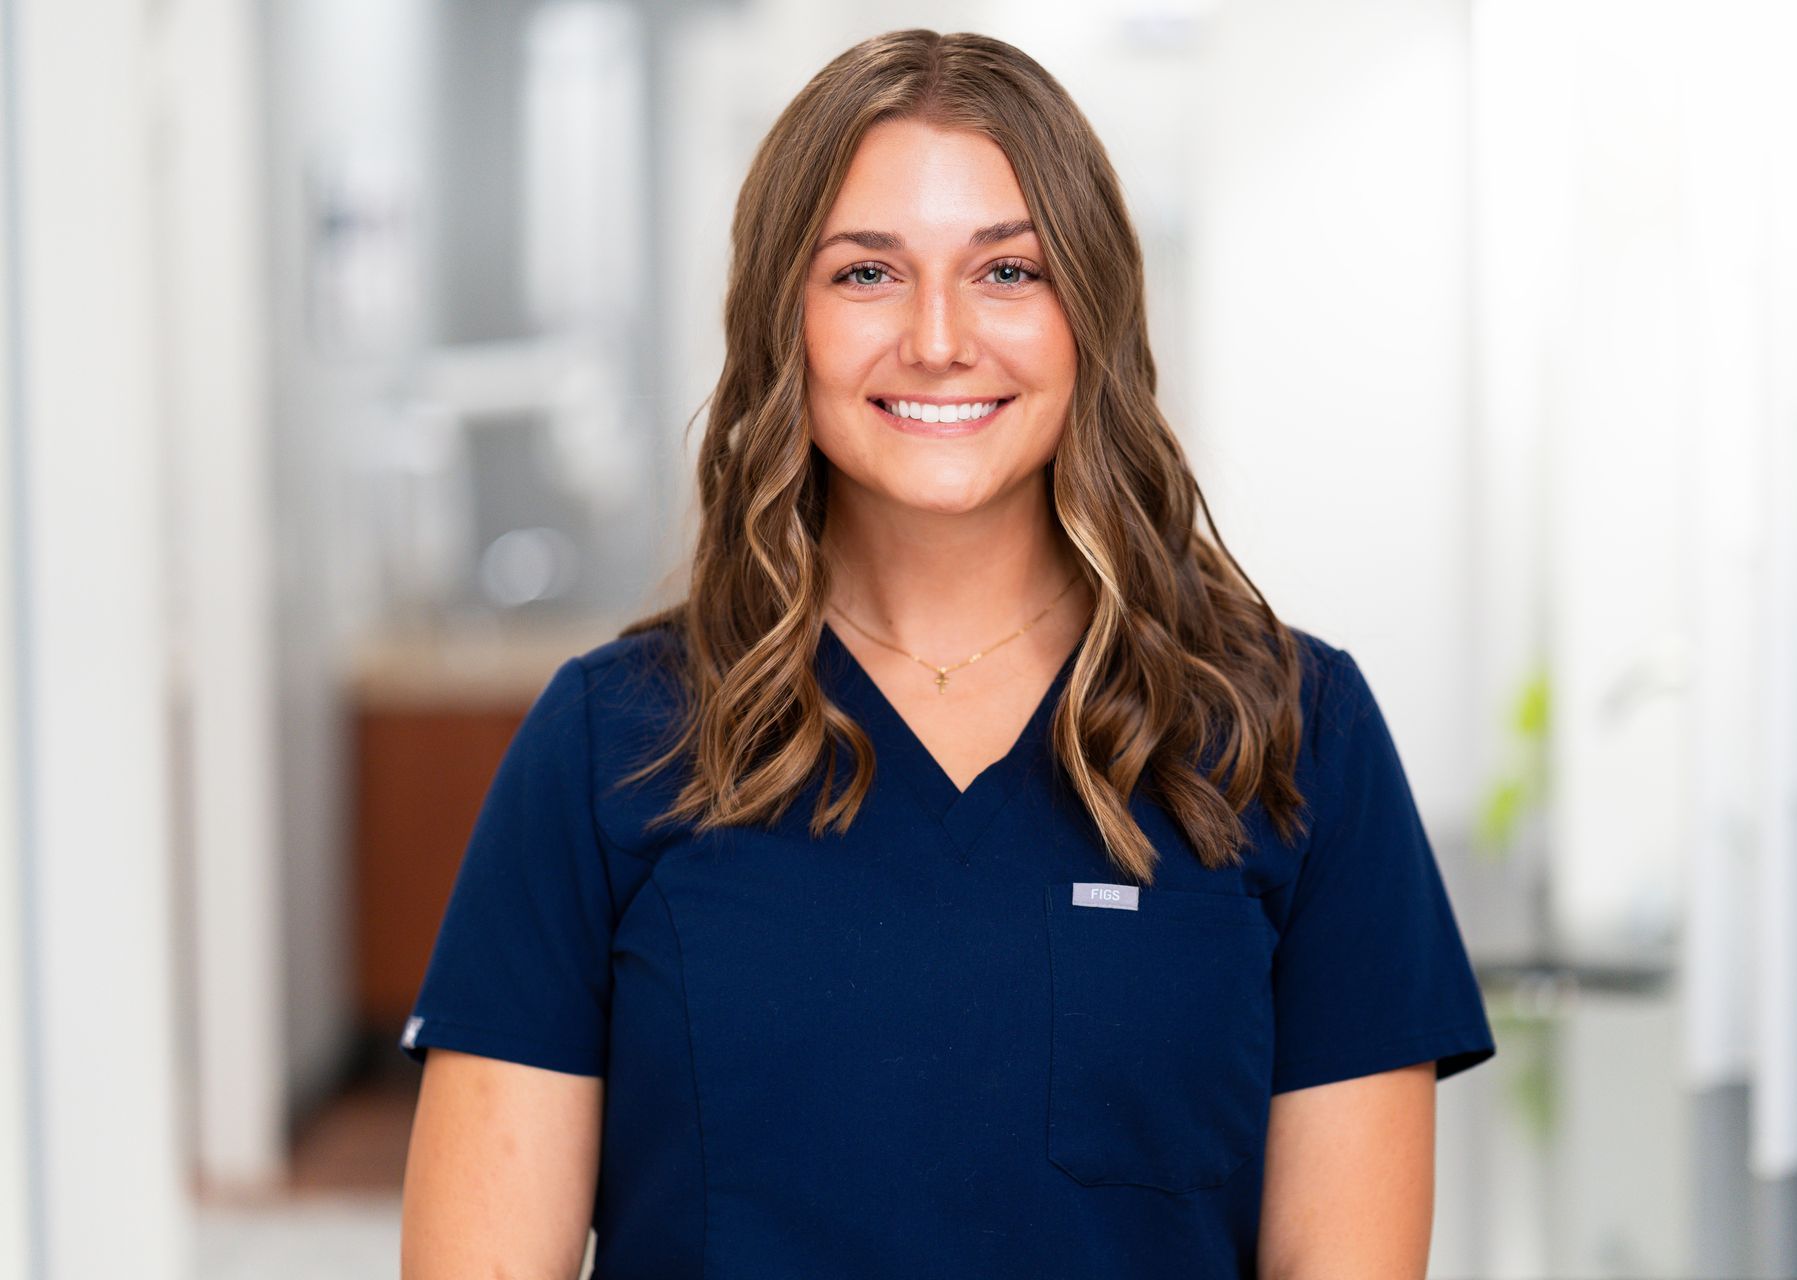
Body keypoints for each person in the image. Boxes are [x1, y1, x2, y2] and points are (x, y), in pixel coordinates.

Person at [397, 27, 1495, 1280]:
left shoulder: (1293, 734)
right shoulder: (609, 743)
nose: (936, 337)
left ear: (1093, 309)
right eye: (866, 273)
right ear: (781, 321)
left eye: (1008, 271)